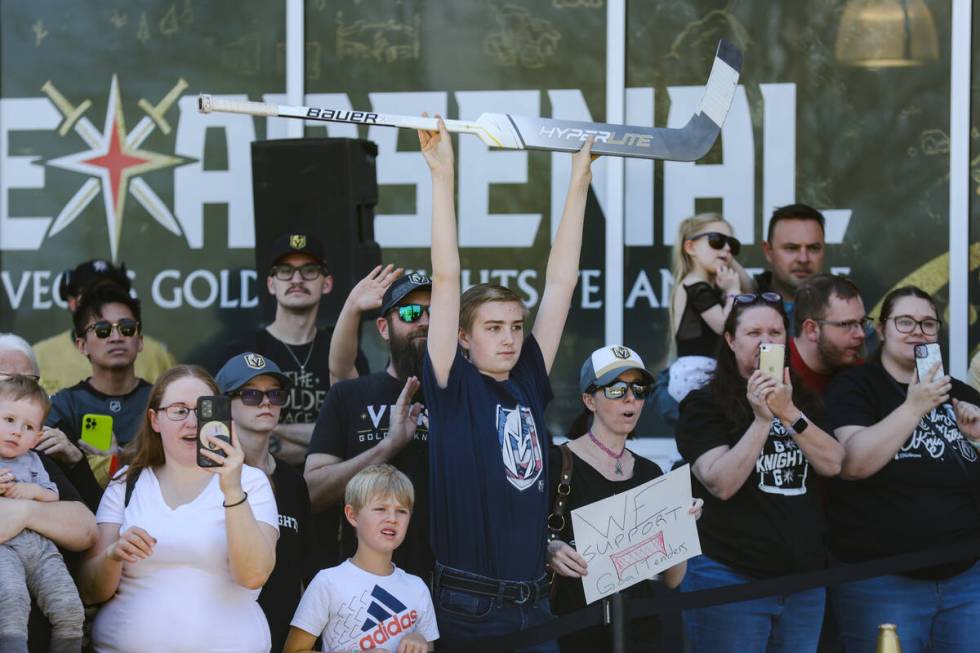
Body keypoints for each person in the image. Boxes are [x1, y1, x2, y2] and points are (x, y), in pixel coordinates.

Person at [421, 116, 594, 652]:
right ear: (463, 338)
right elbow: (446, 274)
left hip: (535, 603)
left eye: (516, 327)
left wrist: (580, 178)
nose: (510, 338)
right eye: (493, 328)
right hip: (469, 607)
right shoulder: (451, 384)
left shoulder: (527, 380)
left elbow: (561, 282)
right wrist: (443, 175)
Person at [676, 293, 844, 652]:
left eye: (775, 332)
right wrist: (762, 420)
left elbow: (833, 463)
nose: (766, 341)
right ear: (731, 340)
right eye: (753, 332)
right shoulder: (704, 404)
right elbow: (720, 483)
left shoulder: (803, 402)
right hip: (730, 577)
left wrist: (788, 413)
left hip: (803, 582)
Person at [78, 365, 279, 653]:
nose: (193, 422)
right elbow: (89, 590)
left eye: (204, 409)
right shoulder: (126, 483)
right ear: (155, 420)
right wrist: (113, 555)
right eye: (179, 410)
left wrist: (232, 488)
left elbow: (253, 575)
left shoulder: (251, 482)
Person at [824, 286, 980, 653]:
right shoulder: (855, 386)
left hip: (965, 581)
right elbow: (852, 464)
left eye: (928, 324)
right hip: (883, 582)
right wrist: (915, 407)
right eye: (905, 322)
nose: (917, 331)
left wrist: (977, 438)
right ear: (882, 329)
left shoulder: (958, 392)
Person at [546, 345, 702, 653]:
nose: (631, 398)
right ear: (589, 400)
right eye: (616, 389)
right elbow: (524, 540)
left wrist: (682, 525)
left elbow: (671, 578)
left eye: (639, 389)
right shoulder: (557, 464)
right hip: (573, 631)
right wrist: (547, 549)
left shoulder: (650, 471)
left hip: (640, 632)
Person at [306, 270, 432, 578]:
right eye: (411, 312)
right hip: (364, 587)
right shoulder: (350, 395)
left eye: (436, 312)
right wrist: (386, 447)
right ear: (384, 328)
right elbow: (313, 491)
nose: (425, 321)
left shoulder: (467, 398)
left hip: (454, 593)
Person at [224, 232, 368, 467]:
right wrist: (329, 446)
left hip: (333, 494)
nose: (297, 279)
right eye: (285, 271)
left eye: (309, 270)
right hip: (261, 487)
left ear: (327, 283)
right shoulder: (242, 351)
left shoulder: (346, 353)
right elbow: (231, 432)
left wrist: (273, 428)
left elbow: (356, 431)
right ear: (272, 284)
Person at [0, 334, 99, 653]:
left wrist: (26, 510)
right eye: (6, 380)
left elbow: (86, 527)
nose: (18, 391)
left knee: (69, 612)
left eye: (27, 381)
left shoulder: (35, 455)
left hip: (45, 629)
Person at [283, 464, 438, 653]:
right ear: (352, 515)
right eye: (380, 508)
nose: (392, 518)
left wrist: (421, 640)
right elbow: (293, 650)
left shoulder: (417, 588)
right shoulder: (328, 582)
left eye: (402, 511)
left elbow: (429, 647)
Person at [216, 352, 312, 653]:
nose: (266, 402)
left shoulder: (294, 482)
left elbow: (304, 571)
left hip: (283, 638)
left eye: (275, 394)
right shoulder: (208, 477)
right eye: (251, 395)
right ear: (222, 404)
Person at [44, 283, 152, 506]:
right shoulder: (64, 405)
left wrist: (118, 457)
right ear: (82, 345)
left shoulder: (162, 400)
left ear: (140, 341)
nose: (116, 337)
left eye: (127, 328)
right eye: (103, 330)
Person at [32, 259, 175, 396]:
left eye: (110, 291)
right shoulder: (39, 355)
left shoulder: (157, 355)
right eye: (89, 295)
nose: (115, 338)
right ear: (72, 302)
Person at [666, 213, 749, 406]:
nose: (727, 248)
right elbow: (723, 326)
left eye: (732, 244)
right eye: (716, 240)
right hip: (695, 375)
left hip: (703, 372)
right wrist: (733, 291)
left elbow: (751, 288)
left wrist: (725, 256)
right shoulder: (695, 285)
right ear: (690, 247)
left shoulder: (704, 285)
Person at [790, 274, 868, 395]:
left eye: (862, 322)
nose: (861, 334)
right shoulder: (774, 372)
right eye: (846, 324)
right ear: (811, 330)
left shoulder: (861, 372)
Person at [755, 204, 827, 334]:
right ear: (768, 251)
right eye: (791, 248)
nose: (803, 259)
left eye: (813, 248)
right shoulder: (740, 308)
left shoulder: (845, 312)